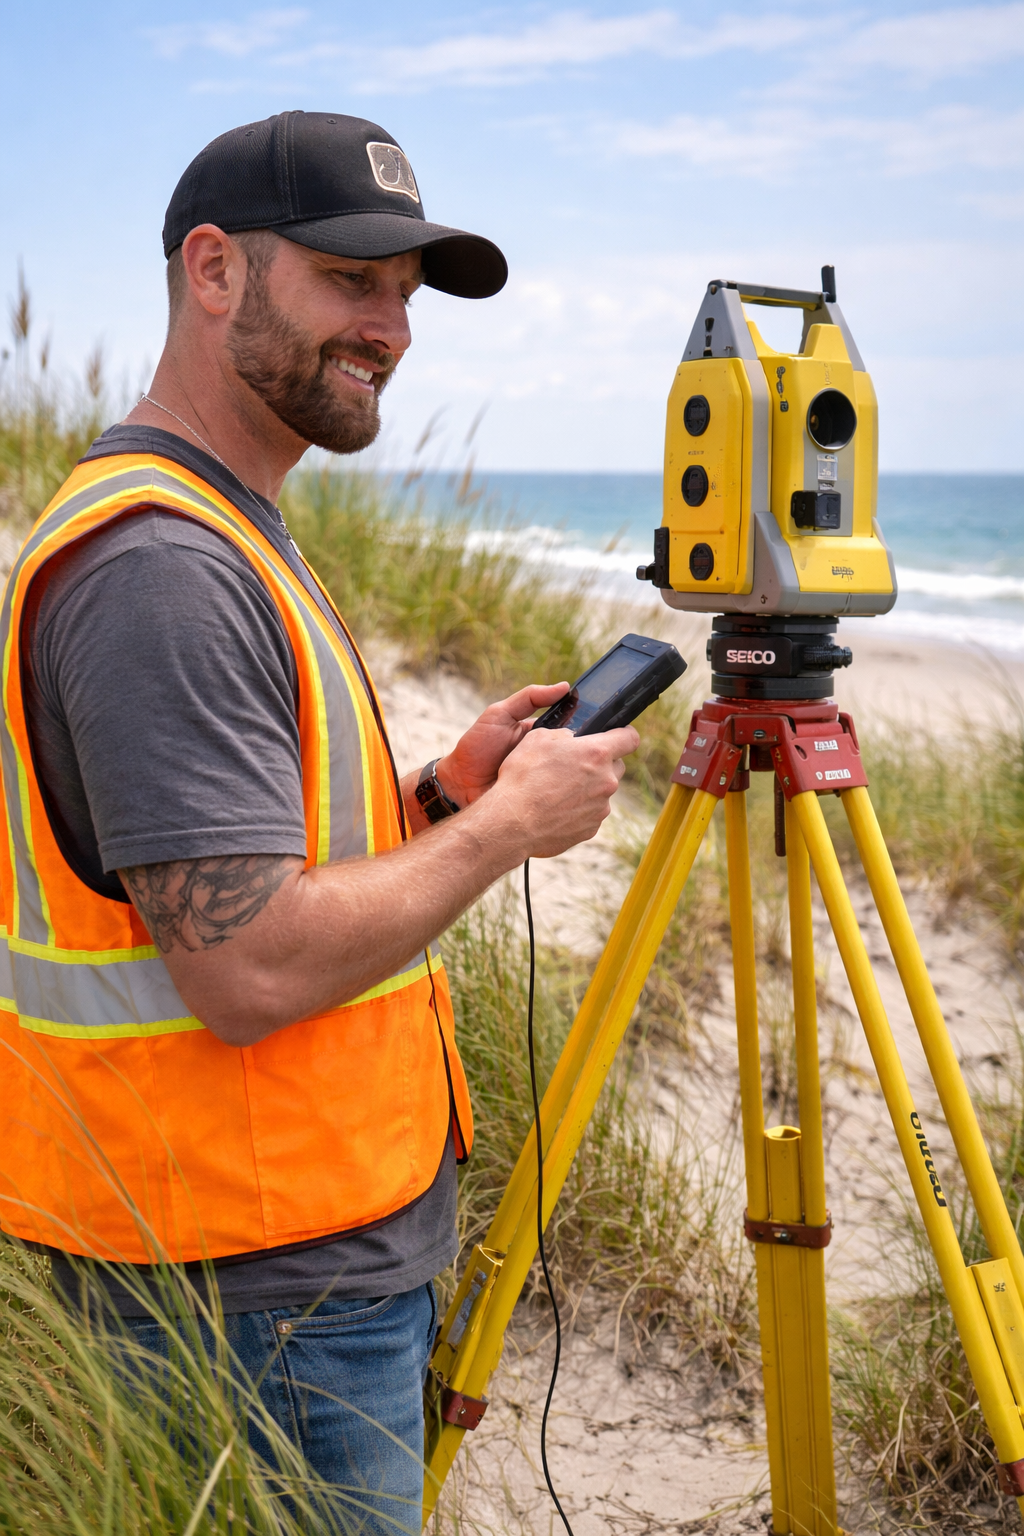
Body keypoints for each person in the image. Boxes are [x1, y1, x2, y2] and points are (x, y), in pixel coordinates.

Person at [0, 112, 637, 1528]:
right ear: (214, 271)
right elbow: (247, 966)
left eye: (407, 297)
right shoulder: (160, 567)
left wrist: (439, 798)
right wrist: (502, 835)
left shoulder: (226, 527)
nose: (391, 328)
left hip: (280, 1276)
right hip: (246, 1307)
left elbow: (225, 869)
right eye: (353, 279)